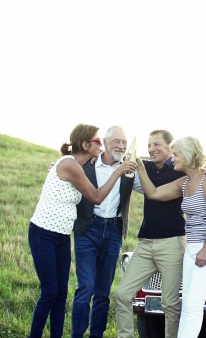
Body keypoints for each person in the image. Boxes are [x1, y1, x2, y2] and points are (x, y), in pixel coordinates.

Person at [28, 123, 136, 338]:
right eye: (97, 141)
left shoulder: (80, 164)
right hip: (44, 233)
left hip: (63, 236)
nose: (121, 146)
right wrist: (118, 172)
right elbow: (95, 196)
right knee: (51, 292)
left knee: (60, 294)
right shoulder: (71, 164)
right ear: (86, 144)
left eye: (125, 142)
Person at [114, 130, 206, 338]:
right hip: (145, 244)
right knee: (122, 294)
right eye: (149, 145)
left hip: (172, 243)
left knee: (171, 303)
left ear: (170, 147)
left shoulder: (181, 171)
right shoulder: (144, 166)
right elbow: (150, 190)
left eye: (157, 145)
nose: (152, 149)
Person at [71, 126, 139, 338]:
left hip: (113, 232)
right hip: (88, 229)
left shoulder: (130, 170)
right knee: (85, 288)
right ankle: (77, 335)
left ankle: (96, 335)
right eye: (117, 141)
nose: (121, 146)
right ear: (106, 143)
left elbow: (154, 182)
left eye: (124, 142)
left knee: (103, 292)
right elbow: (64, 169)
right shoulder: (86, 165)